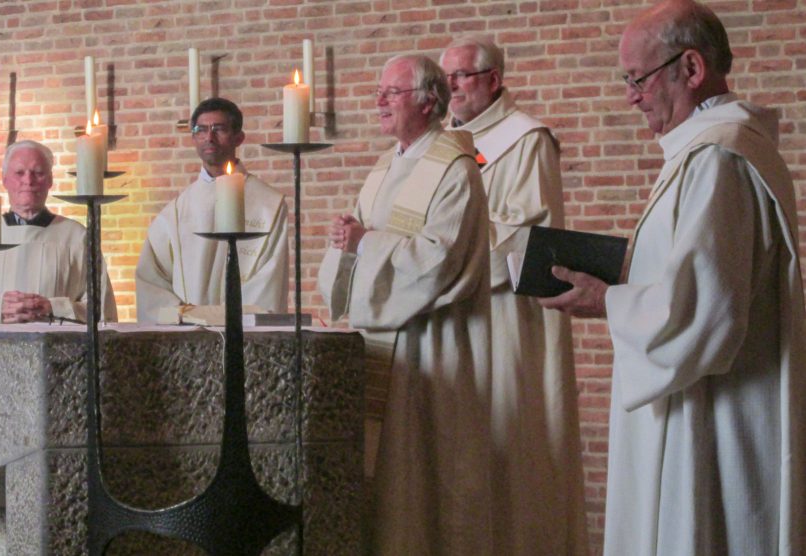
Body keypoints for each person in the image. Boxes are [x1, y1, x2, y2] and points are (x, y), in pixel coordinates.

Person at [540, 1, 806, 553]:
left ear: (691, 68)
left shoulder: (720, 160)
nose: (630, 96)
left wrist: (609, 301)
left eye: (638, 79)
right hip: (697, 403)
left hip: (712, 419)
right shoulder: (706, 153)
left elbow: (704, 309)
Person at [317, 54, 491, 554]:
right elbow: (360, 238)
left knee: (423, 482)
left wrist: (365, 242)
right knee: (387, 479)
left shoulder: (454, 167)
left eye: (391, 93)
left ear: (428, 100)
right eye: (380, 92)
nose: (379, 102)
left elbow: (439, 260)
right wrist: (346, 245)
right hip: (384, 345)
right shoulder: (385, 165)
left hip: (428, 346)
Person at [439, 36, 587, 555]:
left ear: (494, 80)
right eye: (445, 78)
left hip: (508, 311)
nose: (450, 87)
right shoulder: (443, 144)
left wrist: (453, 242)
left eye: (461, 76)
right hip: (456, 306)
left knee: (517, 439)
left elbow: (536, 235)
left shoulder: (526, 141)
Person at [135, 97, 288, 324]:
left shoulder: (268, 205)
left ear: (239, 137)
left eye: (219, 129)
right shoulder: (176, 211)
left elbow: (270, 281)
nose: (209, 137)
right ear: (193, 138)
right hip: (188, 337)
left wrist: (226, 320)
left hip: (243, 336)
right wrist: (186, 316)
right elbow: (151, 280)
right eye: (201, 130)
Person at [0, 140, 117, 324]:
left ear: (50, 180)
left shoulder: (76, 238)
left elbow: (102, 309)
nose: (28, 180)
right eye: (19, 173)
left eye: (38, 173)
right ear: (5, 180)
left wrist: (53, 309)